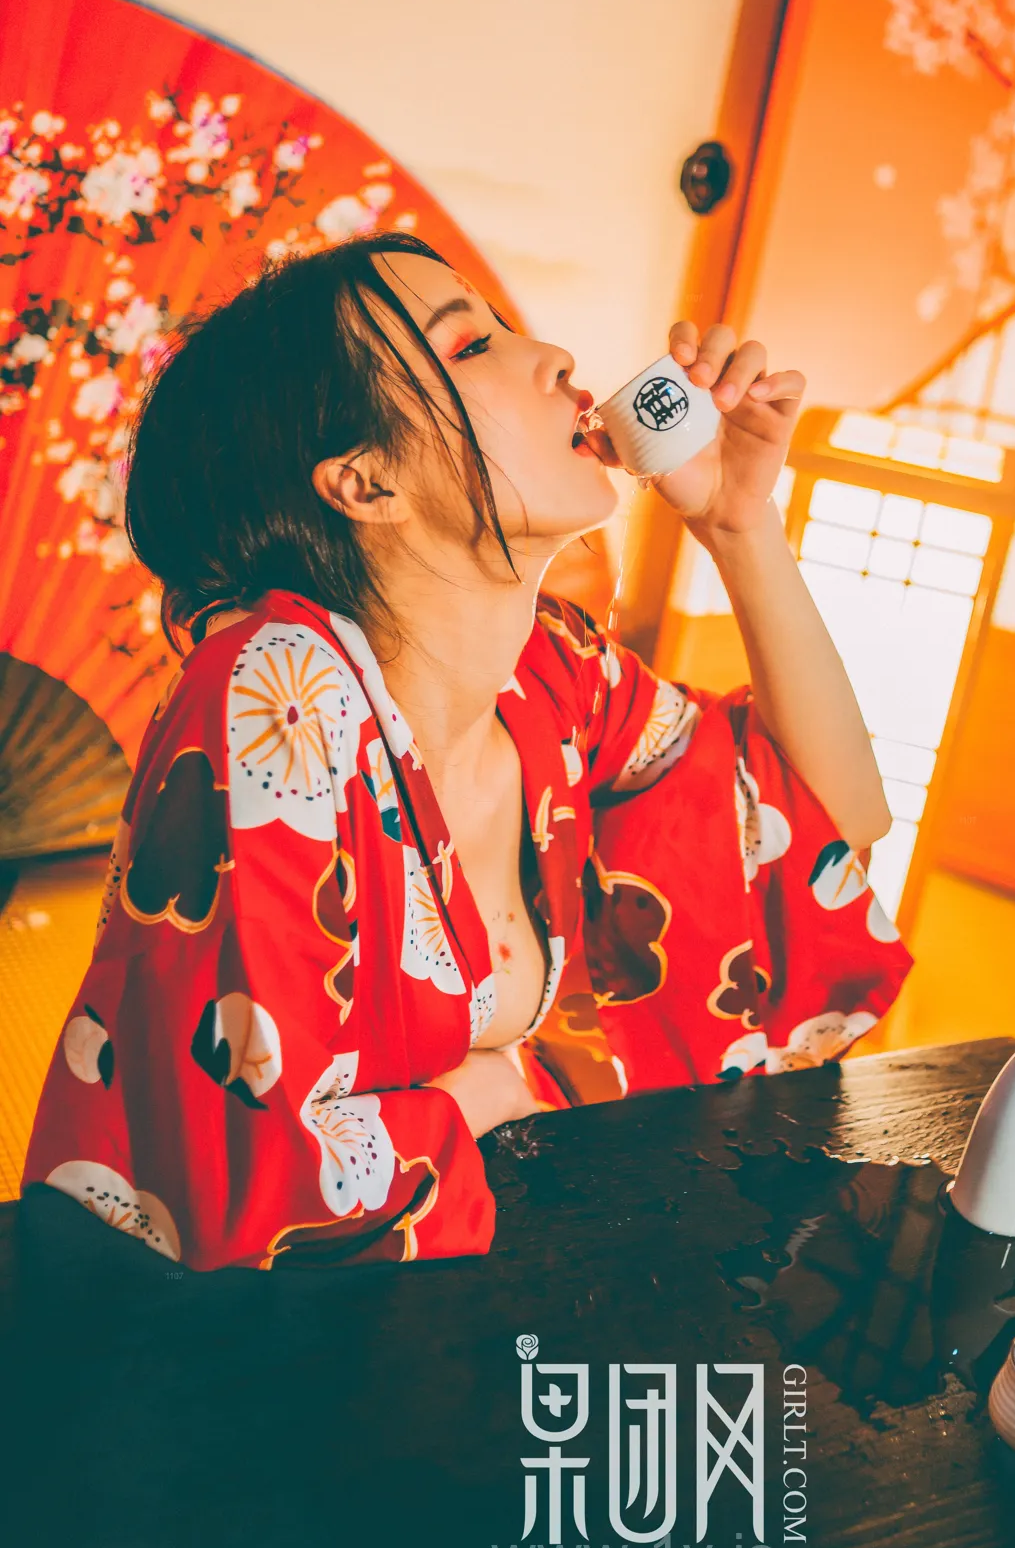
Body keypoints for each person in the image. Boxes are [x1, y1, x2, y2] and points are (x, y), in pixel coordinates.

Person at [20, 234, 911, 1270]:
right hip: (217, 1337)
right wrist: (488, 1096)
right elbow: (253, 1184)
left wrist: (741, 528)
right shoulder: (276, 692)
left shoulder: (552, 677)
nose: (555, 359)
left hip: (461, 1269)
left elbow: (821, 829)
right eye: (471, 345)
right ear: (366, 484)